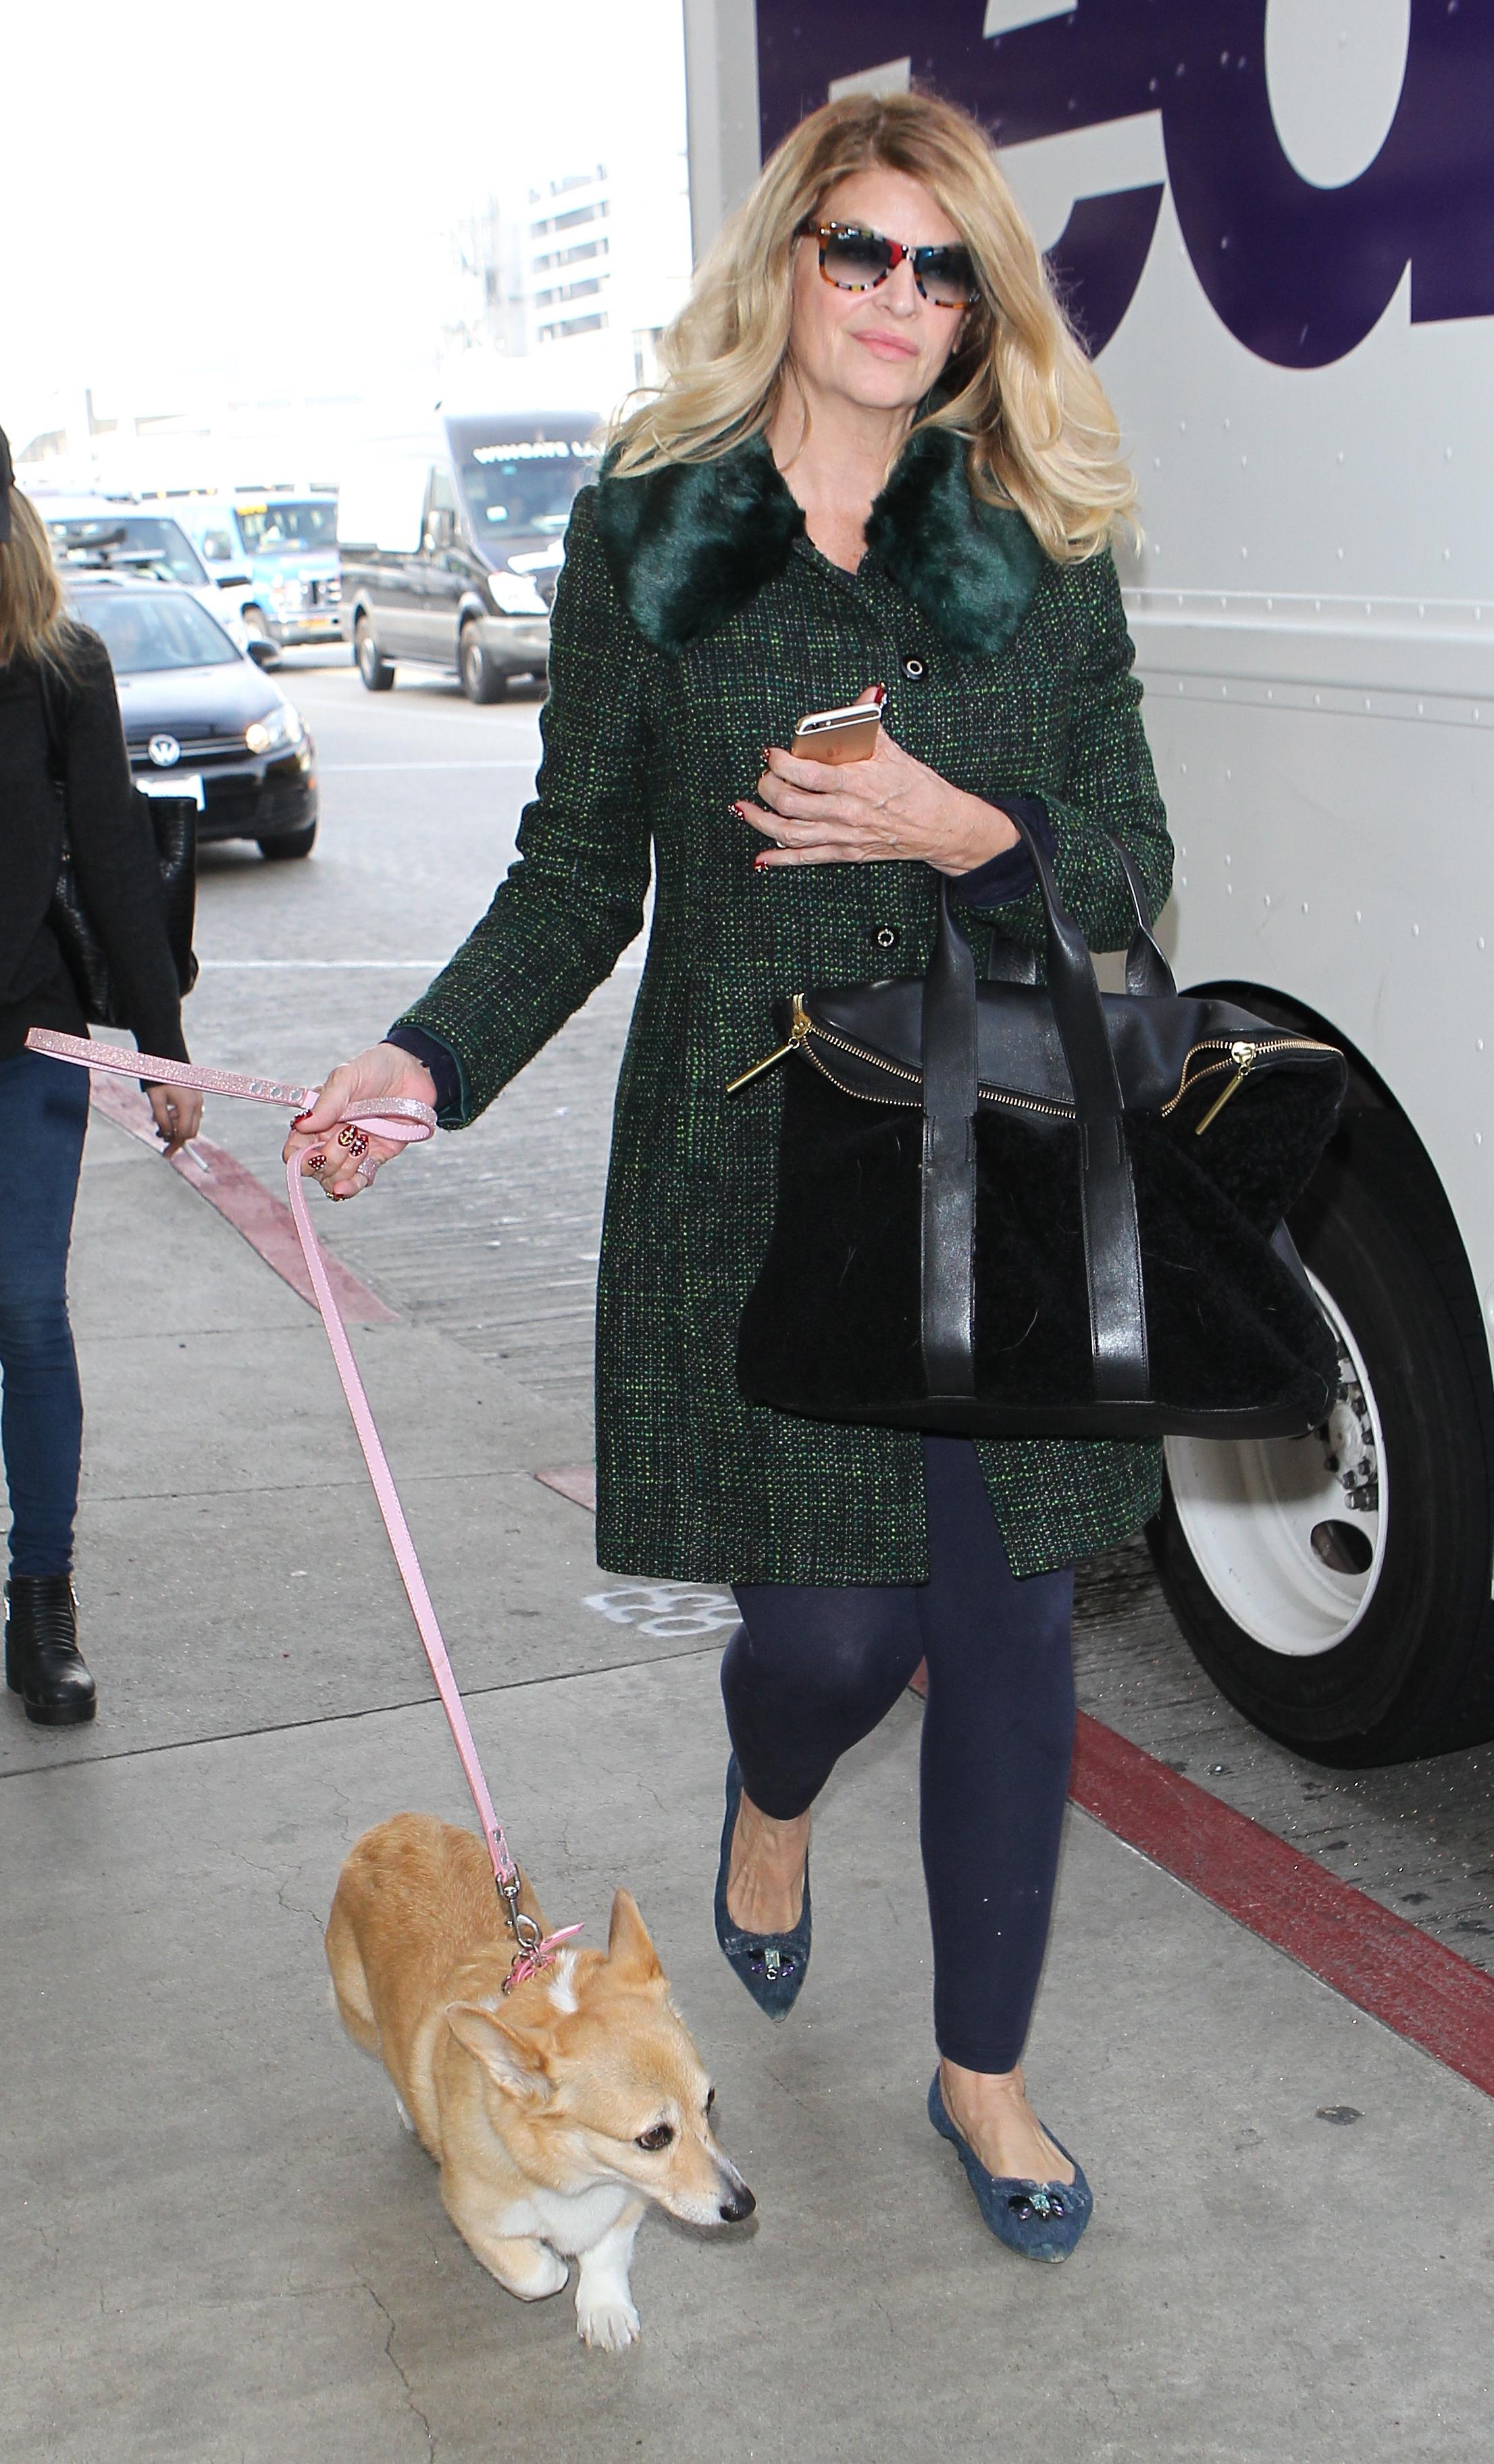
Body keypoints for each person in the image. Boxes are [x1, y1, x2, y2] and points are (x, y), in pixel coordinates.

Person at [288, 92, 1172, 2262]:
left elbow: (1133, 869)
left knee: (1010, 1625)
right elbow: (581, 863)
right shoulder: (649, 534)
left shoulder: (1032, 543)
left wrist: (968, 835)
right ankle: (767, 1798)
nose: (897, 300)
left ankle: (983, 2077)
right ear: (787, 259)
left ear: (983, 305)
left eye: (942, 268)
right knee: (829, 1637)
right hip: (752, 1171)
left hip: (996, 1158)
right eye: (859, 253)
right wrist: (422, 1059)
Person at [0, 438, 202, 1724]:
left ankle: (41, 1600)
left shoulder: (62, 668)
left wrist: (164, 1048)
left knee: (25, 1312)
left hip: (29, 1040)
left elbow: (118, 857)